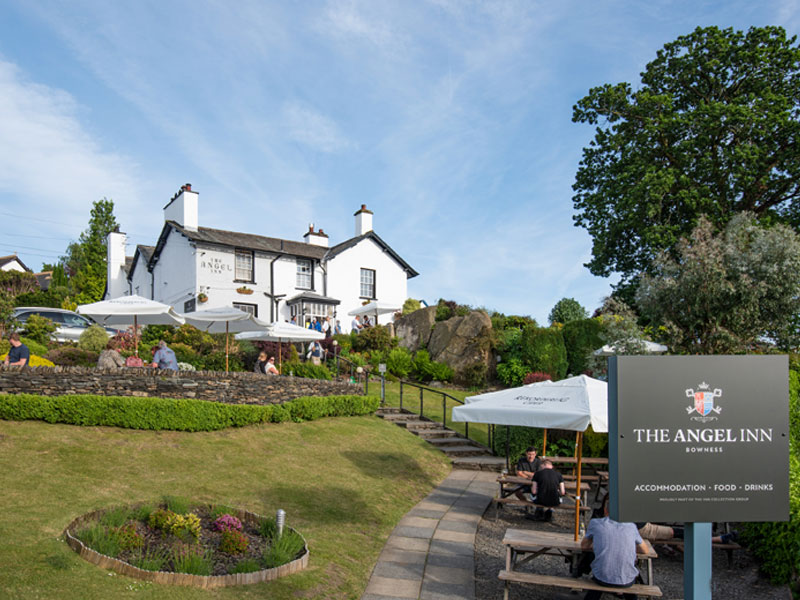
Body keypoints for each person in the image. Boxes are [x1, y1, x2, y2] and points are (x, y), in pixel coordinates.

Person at [579, 499, 649, 600]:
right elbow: (645, 550)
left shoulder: (595, 523)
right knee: (626, 582)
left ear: (605, 510)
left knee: (601, 576)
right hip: (626, 579)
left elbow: (584, 546)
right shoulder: (631, 526)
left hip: (602, 577)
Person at [637, 522, 738, 544]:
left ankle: (717, 539)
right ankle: (716, 539)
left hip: (641, 526)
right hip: (640, 528)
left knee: (677, 533)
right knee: (675, 533)